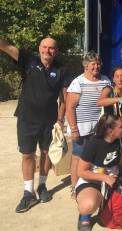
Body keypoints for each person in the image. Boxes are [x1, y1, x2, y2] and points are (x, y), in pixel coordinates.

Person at [0, 37, 66, 213]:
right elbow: (6, 46)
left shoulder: (61, 69)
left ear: (56, 51)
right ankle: (28, 192)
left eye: (51, 48)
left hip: (50, 121)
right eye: (44, 47)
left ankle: (42, 186)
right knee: (28, 155)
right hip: (27, 119)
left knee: (46, 153)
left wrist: (60, 120)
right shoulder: (28, 60)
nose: (47, 51)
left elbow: (64, 98)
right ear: (39, 48)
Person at [75, 114, 122, 231]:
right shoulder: (94, 143)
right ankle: (85, 216)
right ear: (110, 130)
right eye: (121, 127)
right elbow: (81, 172)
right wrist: (105, 178)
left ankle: (105, 205)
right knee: (88, 205)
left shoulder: (120, 140)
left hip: (114, 178)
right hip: (93, 180)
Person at [66, 52, 112, 194]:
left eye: (98, 63)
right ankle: (74, 187)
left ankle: (92, 185)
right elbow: (70, 108)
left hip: (98, 129)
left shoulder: (106, 80)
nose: (96, 66)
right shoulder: (77, 82)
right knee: (78, 157)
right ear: (86, 66)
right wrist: (74, 129)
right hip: (81, 128)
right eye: (93, 64)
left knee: (93, 158)